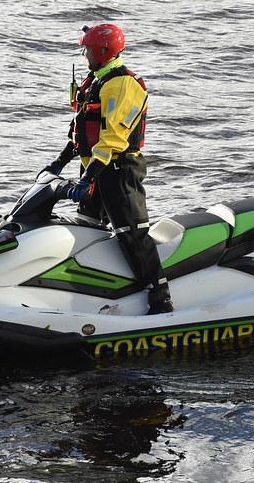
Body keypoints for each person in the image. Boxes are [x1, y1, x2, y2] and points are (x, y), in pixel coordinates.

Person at [42, 24, 174, 315]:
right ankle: (95, 289)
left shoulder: (122, 85)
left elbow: (113, 138)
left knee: (132, 234)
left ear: (103, 51)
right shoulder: (95, 81)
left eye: (87, 49)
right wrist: (59, 162)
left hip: (119, 170)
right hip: (96, 169)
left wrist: (87, 178)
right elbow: (81, 131)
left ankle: (160, 299)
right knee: (87, 226)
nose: (84, 54)